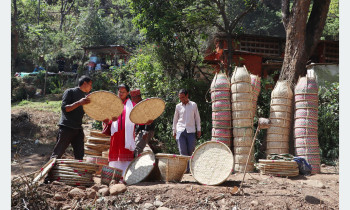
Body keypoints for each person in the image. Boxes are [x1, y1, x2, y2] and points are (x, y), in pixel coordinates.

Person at [50, 75, 92, 160]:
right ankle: (48, 172)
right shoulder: (70, 92)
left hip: (78, 128)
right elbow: (65, 108)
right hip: (67, 127)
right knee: (58, 153)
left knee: (80, 155)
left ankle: (78, 172)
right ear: (84, 83)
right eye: (90, 84)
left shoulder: (86, 98)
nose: (91, 87)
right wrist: (79, 103)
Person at [102, 84, 136, 178]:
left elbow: (138, 119)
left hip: (127, 135)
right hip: (116, 135)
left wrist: (146, 121)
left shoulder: (133, 105)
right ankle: (114, 176)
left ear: (128, 93)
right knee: (115, 152)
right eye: (119, 91)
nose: (121, 94)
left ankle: (126, 176)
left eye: (123, 92)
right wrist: (108, 121)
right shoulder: (113, 105)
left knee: (126, 153)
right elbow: (106, 120)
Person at [172, 89, 201, 170]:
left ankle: (191, 168)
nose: (181, 99)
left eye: (183, 97)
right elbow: (175, 119)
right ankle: (185, 169)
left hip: (191, 130)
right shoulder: (178, 106)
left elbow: (197, 118)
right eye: (180, 98)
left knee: (191, 150)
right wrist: (174, 131)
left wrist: (199, 129)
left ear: (187, 95)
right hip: (180, 130)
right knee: (182, 150)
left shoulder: (193, 105)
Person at [130, 89, 155, 157]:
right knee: (135, 147)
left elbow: (149, 118)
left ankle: (136, 165)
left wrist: (146, 131)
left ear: (138, 97)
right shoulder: (137, 105)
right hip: (142, 130)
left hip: (147, 130)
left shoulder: (145, 105)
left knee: (138, 148)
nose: (132, 99)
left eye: (133, 98)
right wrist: (137, 131)